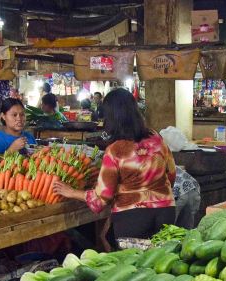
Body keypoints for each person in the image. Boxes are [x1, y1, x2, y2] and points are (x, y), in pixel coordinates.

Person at [52, 88, 176, 240]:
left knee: (133, 262)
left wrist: (72, 192)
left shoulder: (115, 150)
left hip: (133, 217)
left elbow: (102, 198)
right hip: (166, 211)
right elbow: (171, 174)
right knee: (162, 261)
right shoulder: (156, 138)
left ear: (111, 117)